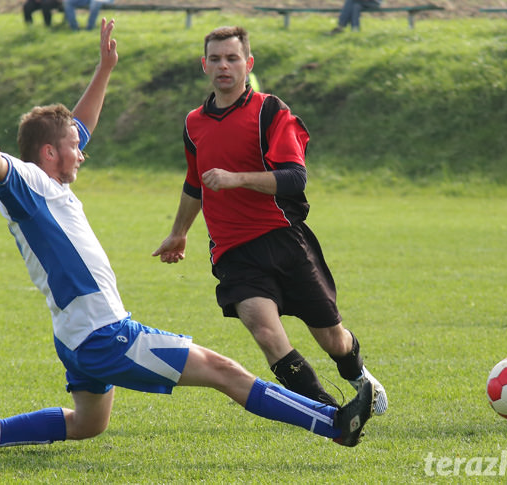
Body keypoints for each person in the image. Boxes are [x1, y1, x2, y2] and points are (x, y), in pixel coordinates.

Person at [0, 19, 374, 454]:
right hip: (104, 334)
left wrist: (105, 68)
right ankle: (333, 424)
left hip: (75, 335)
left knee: (88, 424)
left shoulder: (50, 182)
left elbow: (79, 125)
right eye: (75, 147)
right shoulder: (27, 184)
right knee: (223, 371)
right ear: (49, 153)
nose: (83, 151)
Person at [153, 26, 387, 416]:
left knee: (332, 339)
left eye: (232, 58)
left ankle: (358, 374)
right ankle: (332, 416)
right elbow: (195, 182)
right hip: (233, 252)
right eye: (215, 59)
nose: (223, 66)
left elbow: (295, 177)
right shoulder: (194, 122)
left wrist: (236, 178)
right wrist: (179, 232)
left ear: (249, 63)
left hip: (283, 241)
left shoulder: (270, 112)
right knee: (266, 332)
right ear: (204, 65)